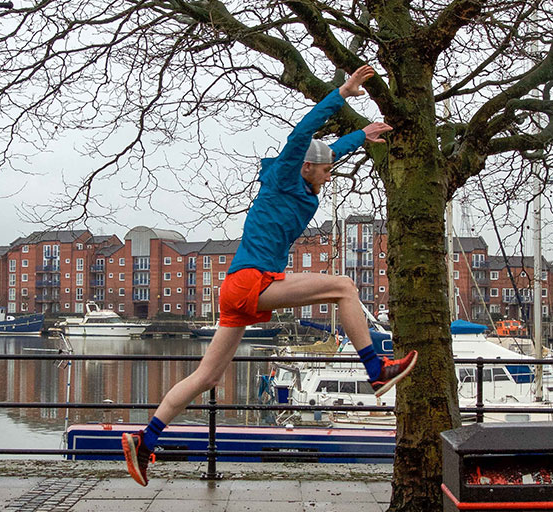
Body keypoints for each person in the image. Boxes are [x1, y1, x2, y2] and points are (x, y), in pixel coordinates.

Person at [122, 65, 418, 486]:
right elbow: (304, 135)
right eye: (326, 170)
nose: (330, 175)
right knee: (344, 286)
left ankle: (144, 442)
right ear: (306, 168)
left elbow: (328, 150)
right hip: (250, 282)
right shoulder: (284, 174)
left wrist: (359, 138)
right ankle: (375, 370)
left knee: (207, 377)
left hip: (237, 288)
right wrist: (343, 93)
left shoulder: (306, 178)